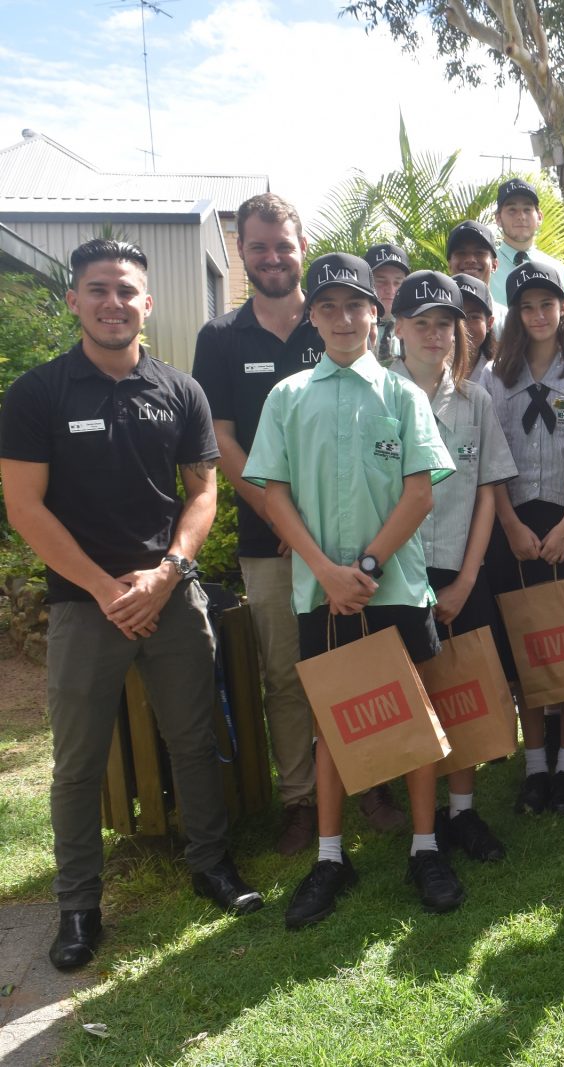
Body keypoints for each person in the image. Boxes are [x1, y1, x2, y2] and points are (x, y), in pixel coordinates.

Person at [1, 238, 263, 970]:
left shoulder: (180, 390)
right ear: (74, 300)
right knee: (77, 763)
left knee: (195, 736)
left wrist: (169, 572)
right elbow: (24, 507)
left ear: (147, 303)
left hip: (171, 596)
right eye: (98, 289)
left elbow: (203, 492)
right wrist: (104, 588)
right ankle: (79, 906)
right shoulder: (37, 394)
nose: (112, 302)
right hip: (85, 606)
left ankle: (212, 866)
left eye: (126, 291)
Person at [243, 253, 464, 928]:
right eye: (328, 308)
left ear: (377, 313)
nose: (343, 319)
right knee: (332, 726)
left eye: (355, 306)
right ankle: (331, 856)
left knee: (416, 715)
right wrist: (326, 570)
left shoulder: (402, 396)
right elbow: (271, 491)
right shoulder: (288, 397)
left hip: (394, 587)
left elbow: (420, 492)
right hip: (320, 593)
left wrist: (364, 565)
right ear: (312, 317)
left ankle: (425, 847)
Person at [192, 193, 365, 854]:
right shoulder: (219, 339)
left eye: (282, 246)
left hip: (348, 533)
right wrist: (280, 512)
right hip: (270, 539)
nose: (271, 258)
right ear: (242, 253)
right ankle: (299, 797)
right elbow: (222, 437)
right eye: (258, 247)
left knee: (355, 658)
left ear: (301, 248)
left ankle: (366, 774)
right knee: (287, 673)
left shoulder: (332, 324)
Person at [386, 270, 519, 864]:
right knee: (412, 700)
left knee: (463, 694)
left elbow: (489, 491)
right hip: (393, 575)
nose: (435, 334)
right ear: (398, 330)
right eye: (423, 324)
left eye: (446, 323)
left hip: (461, 571)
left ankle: (463, 813)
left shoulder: (475, 401)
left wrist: (467, 580)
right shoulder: (376, 398)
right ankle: (420, 828)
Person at [483, 260, 564, 817]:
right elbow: (487, 460)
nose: (538, 315)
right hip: (514, 526)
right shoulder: (493, 377)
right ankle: (534, 765)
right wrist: (512, 526)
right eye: (527, 306)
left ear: (563, 307)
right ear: (516, 313)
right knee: (526, 644)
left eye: (547, 304)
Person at [488, 177, 564, 302]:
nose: (521, 216)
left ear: (539, 217)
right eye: (512, 210)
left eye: (527, 210)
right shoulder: (485, 269)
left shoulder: (559, 271)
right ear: (498, 218)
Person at [449, 220, 510, 329]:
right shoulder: (437, 316)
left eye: (479, 253)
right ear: (449, 265)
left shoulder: (509, 322)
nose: (470, 260)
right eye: (461, 253)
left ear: (495, 264)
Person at [364, 241, 410, 365]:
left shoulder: (416, 329)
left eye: (397, 283)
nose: (390, 290)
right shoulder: (351, 329)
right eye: (381, 281)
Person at [455, 272, 497, 380]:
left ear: (489, 323)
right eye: (455, 316)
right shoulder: (421, 368)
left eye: (473, 317)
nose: (462, 326)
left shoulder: (498, 376)